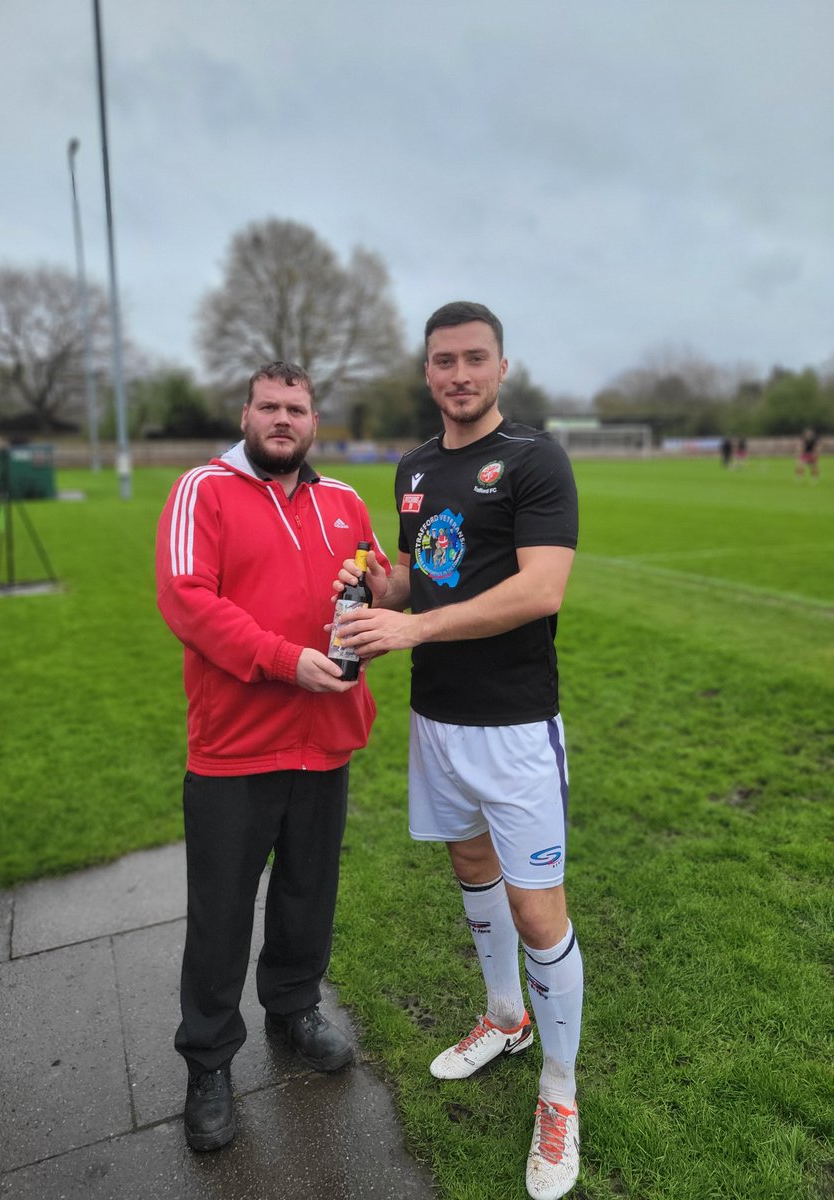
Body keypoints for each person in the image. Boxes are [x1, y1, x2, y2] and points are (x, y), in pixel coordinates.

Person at [336, 301, 583, 1200]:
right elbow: (421, 573)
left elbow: (541, 590)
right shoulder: (413, 468)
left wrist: (416, 624)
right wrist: (381, 584)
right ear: (427, 371)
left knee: (536, 912)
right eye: (444, 361)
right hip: (437, 719)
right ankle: (505, 1018)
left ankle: (559, 1092)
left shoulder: (535, 459)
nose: (459, 375)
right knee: (471, 871)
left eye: (475, 358)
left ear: (501, 367)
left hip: (515, 725)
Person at [155, 361, 389, 1153]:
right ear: (246, 413)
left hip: (326, 740)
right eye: (268, 407)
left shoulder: (345, 502)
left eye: (296, 408)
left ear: (314, 420)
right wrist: (285, 660)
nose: (281, 419)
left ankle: (292, 1011)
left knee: (306, 894)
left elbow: (375, 587)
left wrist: (384, 602)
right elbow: (188, 600)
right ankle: (210, 1062)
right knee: (220, 914)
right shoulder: (203, 489)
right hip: (235, 746)